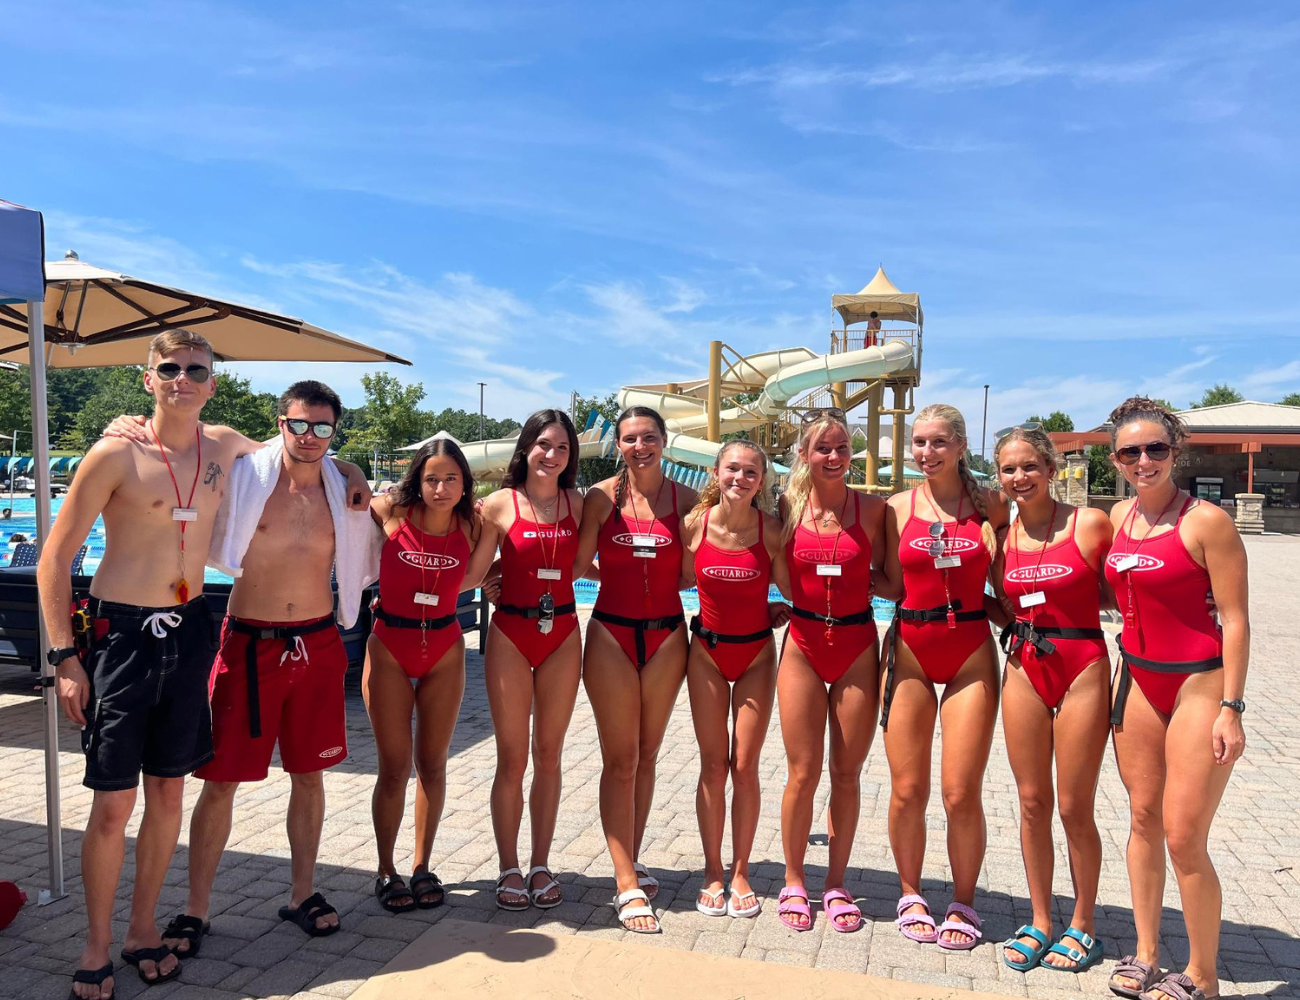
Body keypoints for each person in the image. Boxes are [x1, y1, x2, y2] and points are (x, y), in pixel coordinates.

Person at [36, 331, 356, 999]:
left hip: (189, 631)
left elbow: (301, 449)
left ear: (212, 383)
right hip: (122, 634)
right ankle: (96, 945)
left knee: (169, 795)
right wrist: (65, 656)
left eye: (196, 370)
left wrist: (351, 472)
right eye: (170, 368)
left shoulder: (224, 445)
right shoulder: (113, 452)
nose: (184, 378)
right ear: (148, 378)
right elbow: (54, 558)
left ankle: (142, 930)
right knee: (113, 805)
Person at [102, 380, 374, 957]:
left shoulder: (340, 489)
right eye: (298, 424)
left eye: (323, 428)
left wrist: (351, 469)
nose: (309, 437)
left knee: (310, 774)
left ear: (334, 432)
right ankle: (196, 907)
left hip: (319, 643)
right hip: (250, 645)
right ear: (280, 423)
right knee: (220, 781)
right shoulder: (244, 474)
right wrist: (127, 424)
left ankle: (303, 892)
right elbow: (176, 440)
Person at [1102, 398, 1248, 1000]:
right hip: (1136, 680)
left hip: (1197, 684)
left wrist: (1231, 709)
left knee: (1183, 834)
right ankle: (1145, 954)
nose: (1144, 460)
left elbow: (1235, 620)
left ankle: (1204, 976)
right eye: (1130, 451)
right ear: (1115, 459)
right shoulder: (1116, 517)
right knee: (1140, 819)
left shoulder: (1207, 521)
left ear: (1175, 451)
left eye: (1155, 448)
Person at [875, 403, 1008, 950]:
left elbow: (1017, 568)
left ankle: (963, 900)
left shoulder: (992, 505)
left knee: (959, 792)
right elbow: (885, 579)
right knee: (908, 789)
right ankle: (910, 892)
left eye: (936, 443)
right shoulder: (896, 508)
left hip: (970, 653)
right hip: (909, 649)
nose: (925, 453)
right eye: (918, 443)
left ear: (959, 447)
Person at [989, 427, 1112, 973]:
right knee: (1033, 802)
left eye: (1029, 467)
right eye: (1009, 469)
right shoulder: (1003, 540)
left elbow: (1122, 591)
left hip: (1082, 666)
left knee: (1072, 806)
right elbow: (998, 604)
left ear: (1050, 468)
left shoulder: (1088, 524)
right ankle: (1042, 918)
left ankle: (1083, 922)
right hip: (1023, 666)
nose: (1019, 478)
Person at [571, 406, 696, 933]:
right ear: (617, 445)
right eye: (629, 439)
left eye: (649, 437)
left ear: (664, 442)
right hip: (611, 633)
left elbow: (705, 566)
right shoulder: (601, 498)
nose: (639, 446)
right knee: (619, 758)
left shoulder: (688, 502)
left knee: (647, 755)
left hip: (669, 634)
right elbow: (577, 564)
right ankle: (624, 882)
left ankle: (635, 856)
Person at [462, 410, 584, 910]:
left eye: (561, 447)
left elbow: (597, 562)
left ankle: (540, 863)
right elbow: (471, 573)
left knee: (549, 756)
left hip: (564, 633)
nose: (551, 455)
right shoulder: (499, 504)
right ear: (526, 447)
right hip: (511, 631)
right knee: (512, 758)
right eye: (543, 444)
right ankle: (508, 865)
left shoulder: (581, 502)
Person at [774, 409, 885, 933]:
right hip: (803, 641)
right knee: (802, 771)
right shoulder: (785, 509)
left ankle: (836, 883)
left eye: (843, 448)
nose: (835, 457)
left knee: (846, 772)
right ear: (804, 454)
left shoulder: (875, 511)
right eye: (824, 449)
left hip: (858, 643)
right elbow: (753, 560)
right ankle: (794, 878)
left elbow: (892, 578)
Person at [365, 438, 479, 913]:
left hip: (446, 649)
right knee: (394, 767)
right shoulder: (392, 513)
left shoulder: (474, 524)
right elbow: (356, 488)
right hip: (391, 644)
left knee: (432, 764)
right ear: (418, 479)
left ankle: (421, 866)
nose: (440, 487)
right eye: (431, 478)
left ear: (464, 483)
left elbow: (490, 566)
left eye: (451, 478)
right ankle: (386, 869)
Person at [680, 439, 787, 919]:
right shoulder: (693, 528)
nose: (740, 479)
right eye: (732, 470)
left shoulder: (773, 532)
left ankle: (741, 870)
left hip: (757, 656)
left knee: (744, 765)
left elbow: (799, 581)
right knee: (712, 765)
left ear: (761, 481)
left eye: (750, 472)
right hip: (705, 652)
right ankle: (712, 871)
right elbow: (655, 576)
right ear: (716, 473)